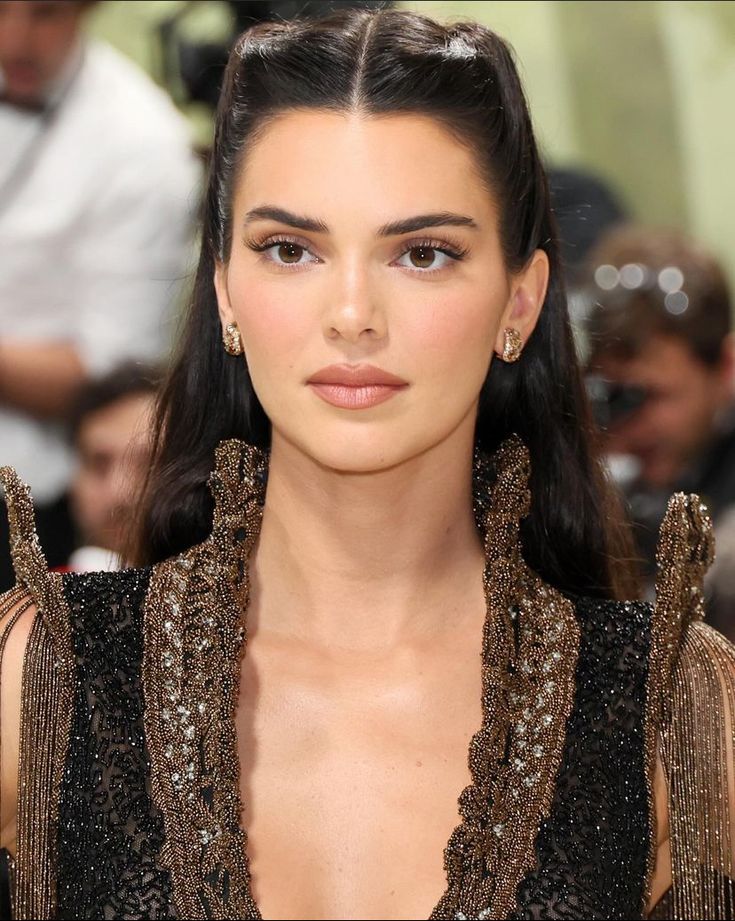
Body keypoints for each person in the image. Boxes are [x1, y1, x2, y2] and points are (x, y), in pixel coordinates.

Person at [0, 9, 733, 920]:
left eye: (423, 253)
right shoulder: (47, 673)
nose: (352, 313)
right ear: (225, 290)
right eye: (290, 249)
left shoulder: (669, 707)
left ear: (520, 300)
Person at [0, 0, 200, 589]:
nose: (14, 40)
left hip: (24, 500)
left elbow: (111, 379)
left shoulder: (142, 146)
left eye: (45, 13)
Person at [584, 225, 735, 638]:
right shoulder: (622, 487)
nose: (628, 422)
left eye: (648, 395)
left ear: (726, 367)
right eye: (613, 396)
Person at [63, 363, 158, 573]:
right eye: (99, 465)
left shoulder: (237, 595)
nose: (121, 494)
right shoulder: (36, 603)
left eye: (149, 464)